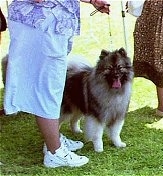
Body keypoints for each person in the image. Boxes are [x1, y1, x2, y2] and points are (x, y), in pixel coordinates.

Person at [4, 0, 110, 168]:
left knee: (52, 88)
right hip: (41, 24)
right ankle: (54, 152)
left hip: (51, 23)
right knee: (47, 89)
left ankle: (53, 140)